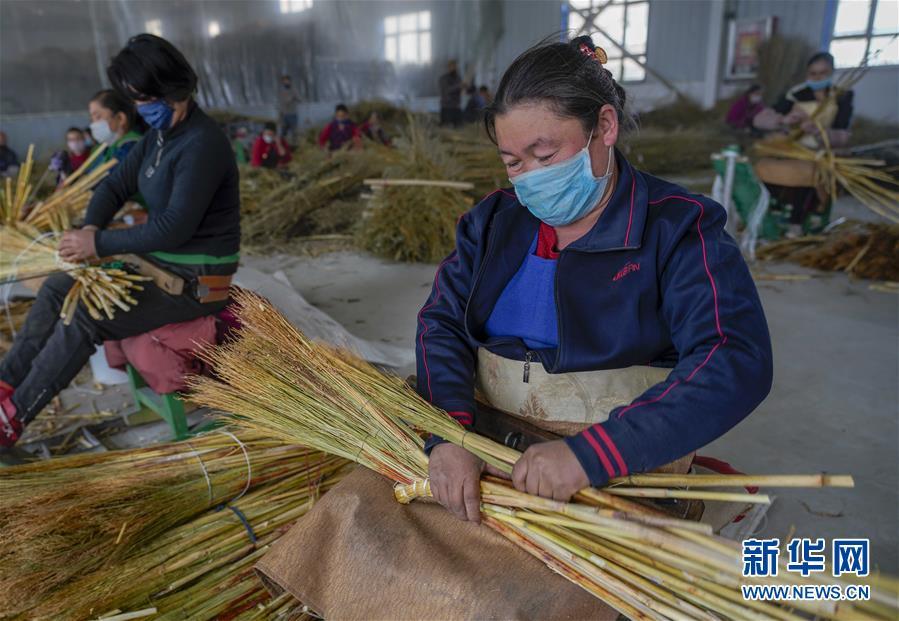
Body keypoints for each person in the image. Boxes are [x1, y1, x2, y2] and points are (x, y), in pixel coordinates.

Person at [419, 35, 772, 528]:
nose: (529, 179)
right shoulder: (494, 223)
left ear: (604, 127)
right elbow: (442, 323)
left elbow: (733, 356)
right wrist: (449, 435)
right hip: (486, 453)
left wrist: (593, 455)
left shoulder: (677, 229)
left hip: (620, 475)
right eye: (513, 162)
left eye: (545, 155)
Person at [0, 34, 240, 448]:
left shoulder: (203, 144)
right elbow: (114, 186)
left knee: (88, 315)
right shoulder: (156, 138)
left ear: (172, 88)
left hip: (196, 281)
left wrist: (100, 246)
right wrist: (91, 227)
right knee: (59, 287)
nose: (141, 108)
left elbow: (173, 227)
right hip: (157, 266)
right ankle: (7, 382)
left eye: (145, 98)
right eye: (136, 100)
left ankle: (12, 420)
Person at [752, 52, 853, 149]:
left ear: (831, 72)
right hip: (793, 147)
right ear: (807, 74)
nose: (817, 78)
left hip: (823, 151)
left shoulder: (842, 96)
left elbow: (843, 135)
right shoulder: (796, 94)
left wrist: (818, 131)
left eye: (823, 73)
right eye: (813, 73)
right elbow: (759, 120)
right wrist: (783, 120)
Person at [88, 89, 145, 169]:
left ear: (120, 118)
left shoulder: (130, 146)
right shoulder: (104, 149)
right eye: (91, 120)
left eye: (98, 117)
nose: (93, 125)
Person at [438, 59, 464, 126]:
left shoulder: (458, 77)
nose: (454, 68)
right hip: (447, 106)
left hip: (456, 106)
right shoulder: (444, 78)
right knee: (446, 126)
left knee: (458, 126)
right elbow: (446, 90)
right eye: (452, 66)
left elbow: (460, 90)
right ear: (448, 67)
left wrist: (464, 87)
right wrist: (459, 86)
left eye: (455, 66)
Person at [277, 74, 301, 142]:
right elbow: (281, 103)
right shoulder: (281, 91)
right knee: (283, 132)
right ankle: (283, 145)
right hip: (284, 114)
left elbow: (300, 99)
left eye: (287, 80)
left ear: (290, 81)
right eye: (284, 81)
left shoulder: (294, 90)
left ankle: (295, 145)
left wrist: (294, 97)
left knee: (294, 132)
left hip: (293, 114)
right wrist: (280, 116)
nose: (286, 82)